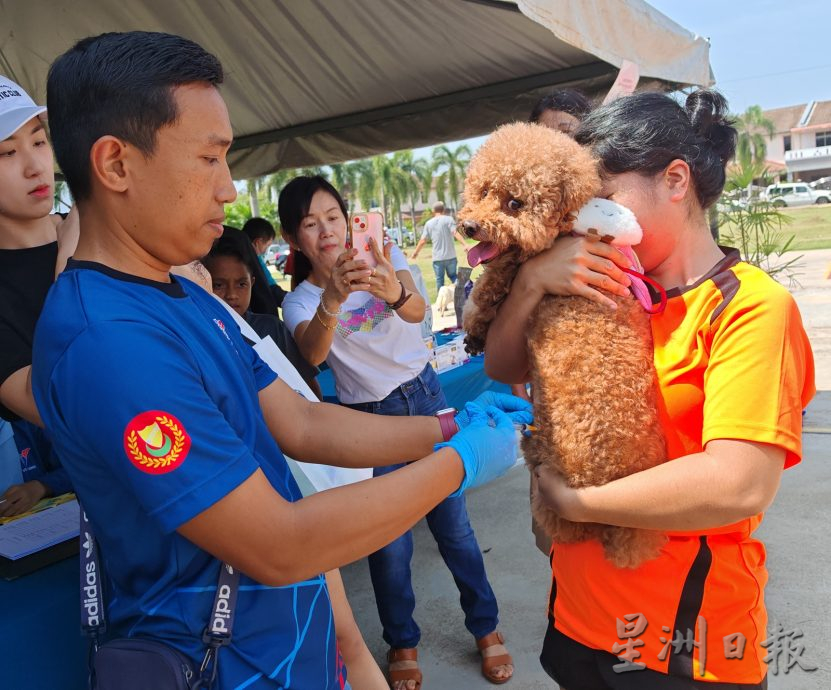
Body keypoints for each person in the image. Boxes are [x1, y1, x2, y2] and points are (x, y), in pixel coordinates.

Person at [35, 31, 531, 690]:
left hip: (289, 646)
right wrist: (458, 464)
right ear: (116, 164)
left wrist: (447, 427)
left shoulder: (186, 295)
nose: (228, 187)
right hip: (221, 663)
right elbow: (277, 543)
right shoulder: (108, 344)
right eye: (208, 159)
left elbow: (300, 422)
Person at [485, 89, 815, 689]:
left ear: (675, 180)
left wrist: (574, 504)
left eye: (602, 199)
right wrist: (532, 282)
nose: (582, 222)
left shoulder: (749, 308)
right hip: (577, 619)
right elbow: (503, 364)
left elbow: (740, 480)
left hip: (683, 644)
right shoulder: (594, 278)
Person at [279, 175, 516, 688]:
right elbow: (313, 354)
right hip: (368, 420)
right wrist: (334, 299)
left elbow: (418, 313)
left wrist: (393, 288)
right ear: (295, 238)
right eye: (310, 224)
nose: (326, 232)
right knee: (388, 545)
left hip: (424, 396)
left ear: (349, 220)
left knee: (455, 530)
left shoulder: (388, 257)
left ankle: (487, 629)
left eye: (333, 218)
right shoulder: (299, 301)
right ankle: (402, 642)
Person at [0, 75, 78, 516]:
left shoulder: (107, 231)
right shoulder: (85, 237)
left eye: (39, 141)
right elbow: (54, 405)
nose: (35, 166)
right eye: (8, 152)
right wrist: (74, 249)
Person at [201, 230, 322, 397]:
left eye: (241, 284)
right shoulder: (200, 334)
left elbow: (309, 387)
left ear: (252, 283)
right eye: (218, 285)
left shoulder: (272, 328)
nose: (231, 295)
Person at [411, 201, 471, 291]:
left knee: (439, 280)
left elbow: (423, 240)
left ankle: (440, 303)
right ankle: (462, 295)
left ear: (433, 211)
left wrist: (415, 253)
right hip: (450, 256)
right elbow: (455, 233)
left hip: (437, 258)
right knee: (454, 276)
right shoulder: (449, 219)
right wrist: (465, 244)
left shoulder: (429, 223)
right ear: (443, 210)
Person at [242, 216, 288, 307]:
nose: (265, 251)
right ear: (257, 242)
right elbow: (273, 290)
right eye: (267, 246)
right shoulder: (256, 261)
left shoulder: (237, 258)